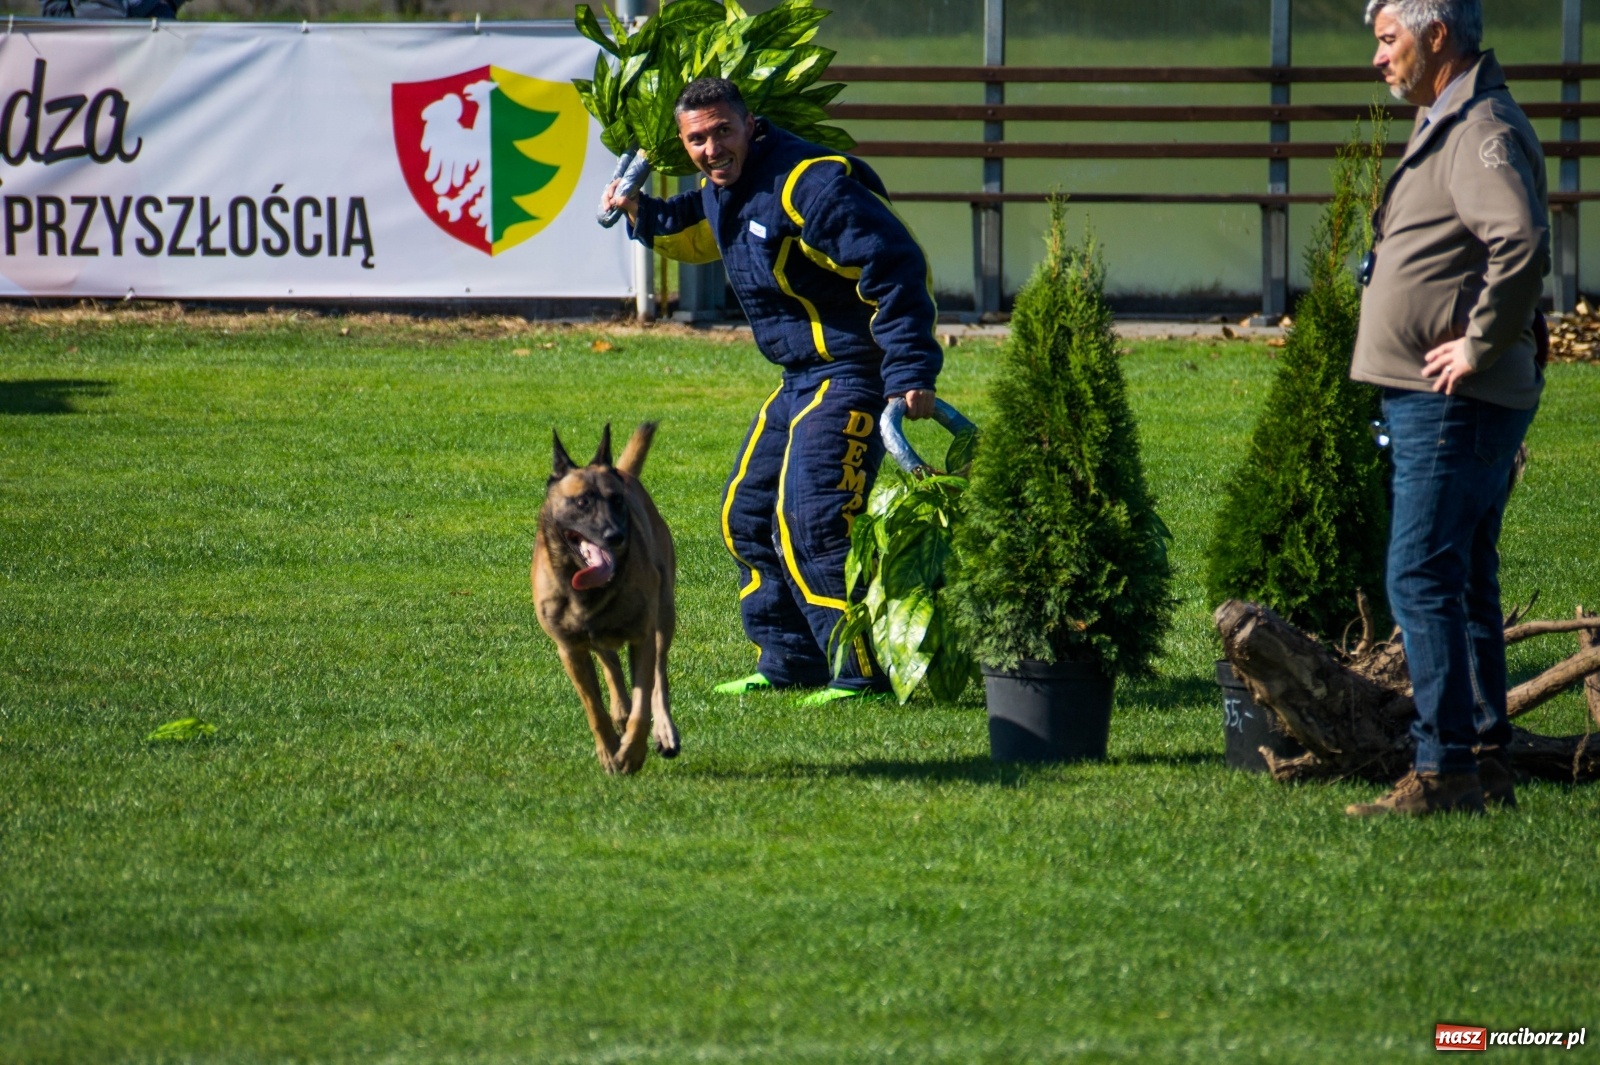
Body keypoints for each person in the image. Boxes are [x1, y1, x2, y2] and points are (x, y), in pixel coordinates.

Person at [602, 77, 943, 706]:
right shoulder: (725, 186)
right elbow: (700, 226)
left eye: (722, 131)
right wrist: (640, 211)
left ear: (750, 124)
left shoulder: (810, 186)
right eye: (697, 140)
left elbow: (894, 265)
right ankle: (790, 660)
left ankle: (861, 670)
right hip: (801, 377)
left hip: (855, 369)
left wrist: (911, 370)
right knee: (749, 515)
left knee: (815, 518)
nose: (711, 149)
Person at [1345, 0, 1548, 816]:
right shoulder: (1450, 115)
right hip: (1444, 398)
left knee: (1419, 572)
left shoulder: (1478, 127)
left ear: (1436, 37)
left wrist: (1477, 344)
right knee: (1461, 577)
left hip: (1455, 399)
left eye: (1388, 39)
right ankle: (1484, 755)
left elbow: (1520, 241)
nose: (1377, 57)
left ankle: (1443, 769)